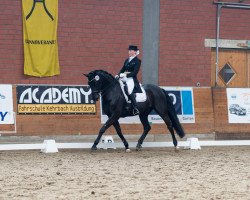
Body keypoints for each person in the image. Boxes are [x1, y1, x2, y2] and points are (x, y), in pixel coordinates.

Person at [116, 45, 142, 115]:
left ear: (135, 52)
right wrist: (118, 75)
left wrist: (125, 75)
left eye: (131, 50)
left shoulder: (137, 61)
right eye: (129, 50)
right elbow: (122, 69)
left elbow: (135, 72)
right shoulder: (127, 60)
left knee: (129, 91)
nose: (129, 52)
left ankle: (135, 108)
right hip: (124, 78)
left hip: (131, 79)